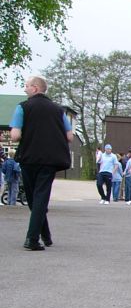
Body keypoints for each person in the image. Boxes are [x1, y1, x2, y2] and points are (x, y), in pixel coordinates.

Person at [9, 75, 73, 250]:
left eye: (27, 86)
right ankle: (46, 235)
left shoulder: (22, 107)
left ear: (35, 88)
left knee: (33, 198)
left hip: (29, 158)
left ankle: (31, 239)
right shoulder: (59, 110)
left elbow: (15, 135)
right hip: (50, 160)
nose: (25, 89)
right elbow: (69, 136)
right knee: (40, 197)